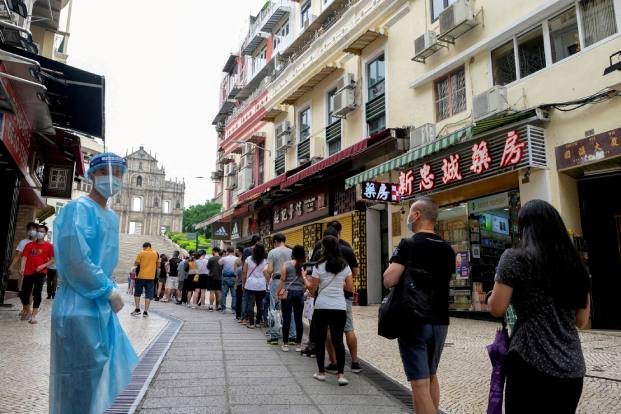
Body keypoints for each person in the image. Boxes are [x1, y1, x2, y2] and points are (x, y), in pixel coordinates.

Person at [50, 152, 137, 414]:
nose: (112, 179)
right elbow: (75, 258)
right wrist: (107, 289)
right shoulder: (77, 209)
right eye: (104, 173)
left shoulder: (110, 216)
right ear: (91, 176)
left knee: (98, 373)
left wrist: (105, 291)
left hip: (99, 305)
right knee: (75, 376)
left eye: (119, 174)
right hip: (77, 303)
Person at [488, 200, 590, 414]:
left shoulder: (514, 259)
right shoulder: (576, 264)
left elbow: (497, 308)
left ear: (524, 228)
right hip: (572, 369)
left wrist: (492, 296)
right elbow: (582, 320)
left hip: (528, 365)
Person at [383, 197, 455, 414]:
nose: (408, 217)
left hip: (413, 319)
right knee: (431, 375)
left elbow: (389, 279)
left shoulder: (409, 244)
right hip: (440, 319)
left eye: (410, 213)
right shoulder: (447, 249)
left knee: (419, 382)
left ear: (417, 215)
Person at [307, 235, 354, 386]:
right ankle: (341, 375)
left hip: (322, 306)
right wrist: (340, 286)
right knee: (338, 340)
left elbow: (313, 290)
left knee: (320, 340)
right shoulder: (344, 266)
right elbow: (350, 288)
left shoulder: (318, 266)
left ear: (323, 248)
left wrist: (305, 281)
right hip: (339, 306)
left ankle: (321, 373)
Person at [315, 226, 362, 374]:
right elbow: (354, 274)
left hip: (323, 302)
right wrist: (343, 281)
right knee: (348, 329)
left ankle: (333, 362)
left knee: (328, 332)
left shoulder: (318, 255)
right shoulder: (347, 252)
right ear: (339, 236)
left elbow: (314, 282)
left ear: (323, 241)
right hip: (343, 300)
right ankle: (354, 362)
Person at [18, 224, 54, 324]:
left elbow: (52, 260)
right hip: (28, 272)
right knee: (24, 293)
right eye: (38, 231)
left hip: (40, 272)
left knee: (37, 293)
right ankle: (27, 309)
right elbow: (24, 257)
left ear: (46, 233)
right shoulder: (29, 245)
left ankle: (33, 316)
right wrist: (22, 268)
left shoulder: (49, 246)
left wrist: (42, 266)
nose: (39, 233)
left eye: (42, 231)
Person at [264, 233, 294, 345]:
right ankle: (292, 336)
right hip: (290, 283)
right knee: (289, 309)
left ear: (275, 241)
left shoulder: (272, 252)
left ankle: (275, 336)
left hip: (277, 281)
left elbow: (270, 270)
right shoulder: (291, 252)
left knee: (275, 308)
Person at [276, 245, 306, 352]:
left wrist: (277, 293)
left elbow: (282, 280)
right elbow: (305, 281)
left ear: (292, 253)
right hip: (299, 294)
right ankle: (298, 345)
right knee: (298, 319)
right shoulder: (304, 266)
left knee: (287, 318)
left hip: (287, 294)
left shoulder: (287, 265)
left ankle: (285, 344)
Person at [242, 242, 268, 328]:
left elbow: (244, 273)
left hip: (250, 284)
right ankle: (258, 322)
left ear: (254, 250)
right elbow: (267, 273)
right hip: (261, 285)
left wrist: (243, 283)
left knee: (251, 304)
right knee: (260, 304)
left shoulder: (248, 259)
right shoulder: (265, 261)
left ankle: (251, 323)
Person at [10, 222, 38, 297]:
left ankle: (28, 308)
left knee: (33, 291)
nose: (32, 231)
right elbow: (18, 255)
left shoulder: (41, 243)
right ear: (27, 231)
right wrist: (11, 267)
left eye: (33, 229)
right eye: (30, 229)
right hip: (24, 270)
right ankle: (26, 307)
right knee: (24, 290)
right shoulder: (23, 242)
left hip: (37, 270)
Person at [132, 242, 160, 317]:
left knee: (137, 293)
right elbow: (158, 265)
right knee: (148, 295)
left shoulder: (141, 253)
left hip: (140, 276)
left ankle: (137, 309)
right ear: (150, 247)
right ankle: (145, 312)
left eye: (143, 247)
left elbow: (135, 264)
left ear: (145, 247)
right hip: (151, 277)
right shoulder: (156, 254)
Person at [220, 247, 237, 313]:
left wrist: (224, 256)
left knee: (224, 294)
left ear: (227, 251)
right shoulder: (236, 258)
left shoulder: (224, 258)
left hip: (225, 277)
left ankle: (223, 308)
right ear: (233, 251)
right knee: (234, 294)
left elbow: (219, 263)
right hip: (234, 278)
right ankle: (233, 309)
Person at [234, 246, 244, 319]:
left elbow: (235, 273)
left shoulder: (237, 260)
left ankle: (238, 315)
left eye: (237, 250)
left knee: (239, 299)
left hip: (239, 282)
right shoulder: (249, 259)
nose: (236, 252)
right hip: (247, 283)